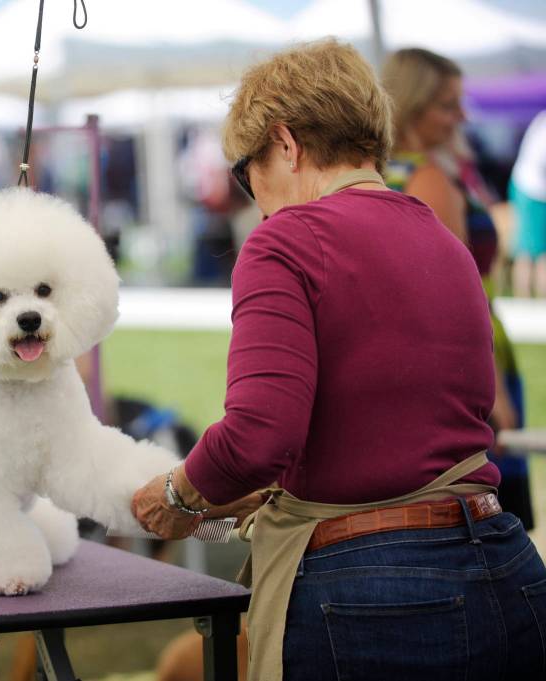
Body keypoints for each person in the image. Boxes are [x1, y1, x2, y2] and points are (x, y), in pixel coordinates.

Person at [131, 40, 546, 681]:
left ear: (286, 143)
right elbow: (416, 421)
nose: (254, 196)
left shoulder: (284, 239)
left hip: (376, 593)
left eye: (248, 172)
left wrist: (175, 497)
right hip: (506, 566)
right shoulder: (440, 232)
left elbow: (257, 437)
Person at [382, 47, 535, 531]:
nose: (461, 116)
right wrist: (493, 392)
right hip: (472, 360)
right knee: (493, 522)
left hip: (421, 366)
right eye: (448, 104)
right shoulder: (426, 177)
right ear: (411, 105)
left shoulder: (380, 176)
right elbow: (457, 295)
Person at [510, 109, 546, 298]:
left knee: (534, 248)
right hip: (532, 190)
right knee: (530, 247)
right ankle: (524, 295)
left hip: (532, 188)